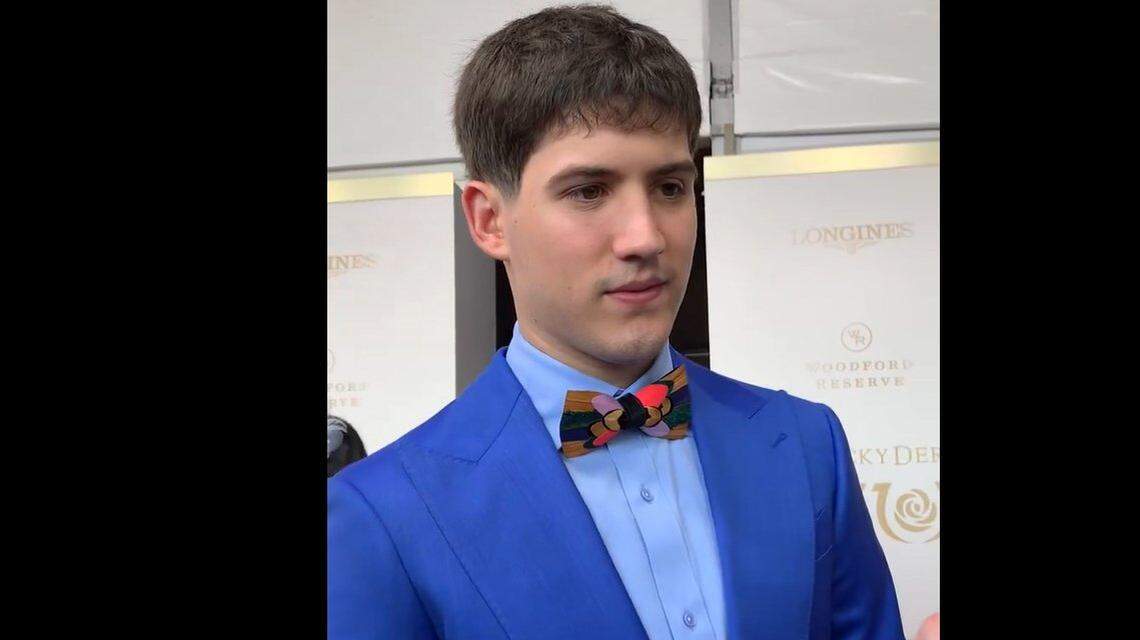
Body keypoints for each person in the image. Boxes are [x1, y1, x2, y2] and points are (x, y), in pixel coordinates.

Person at [327, 5, 905, 639]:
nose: (646, 237)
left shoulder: (806, 444)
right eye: (588, 190)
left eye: (669, 188)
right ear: (489, 220)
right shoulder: (384, 512)